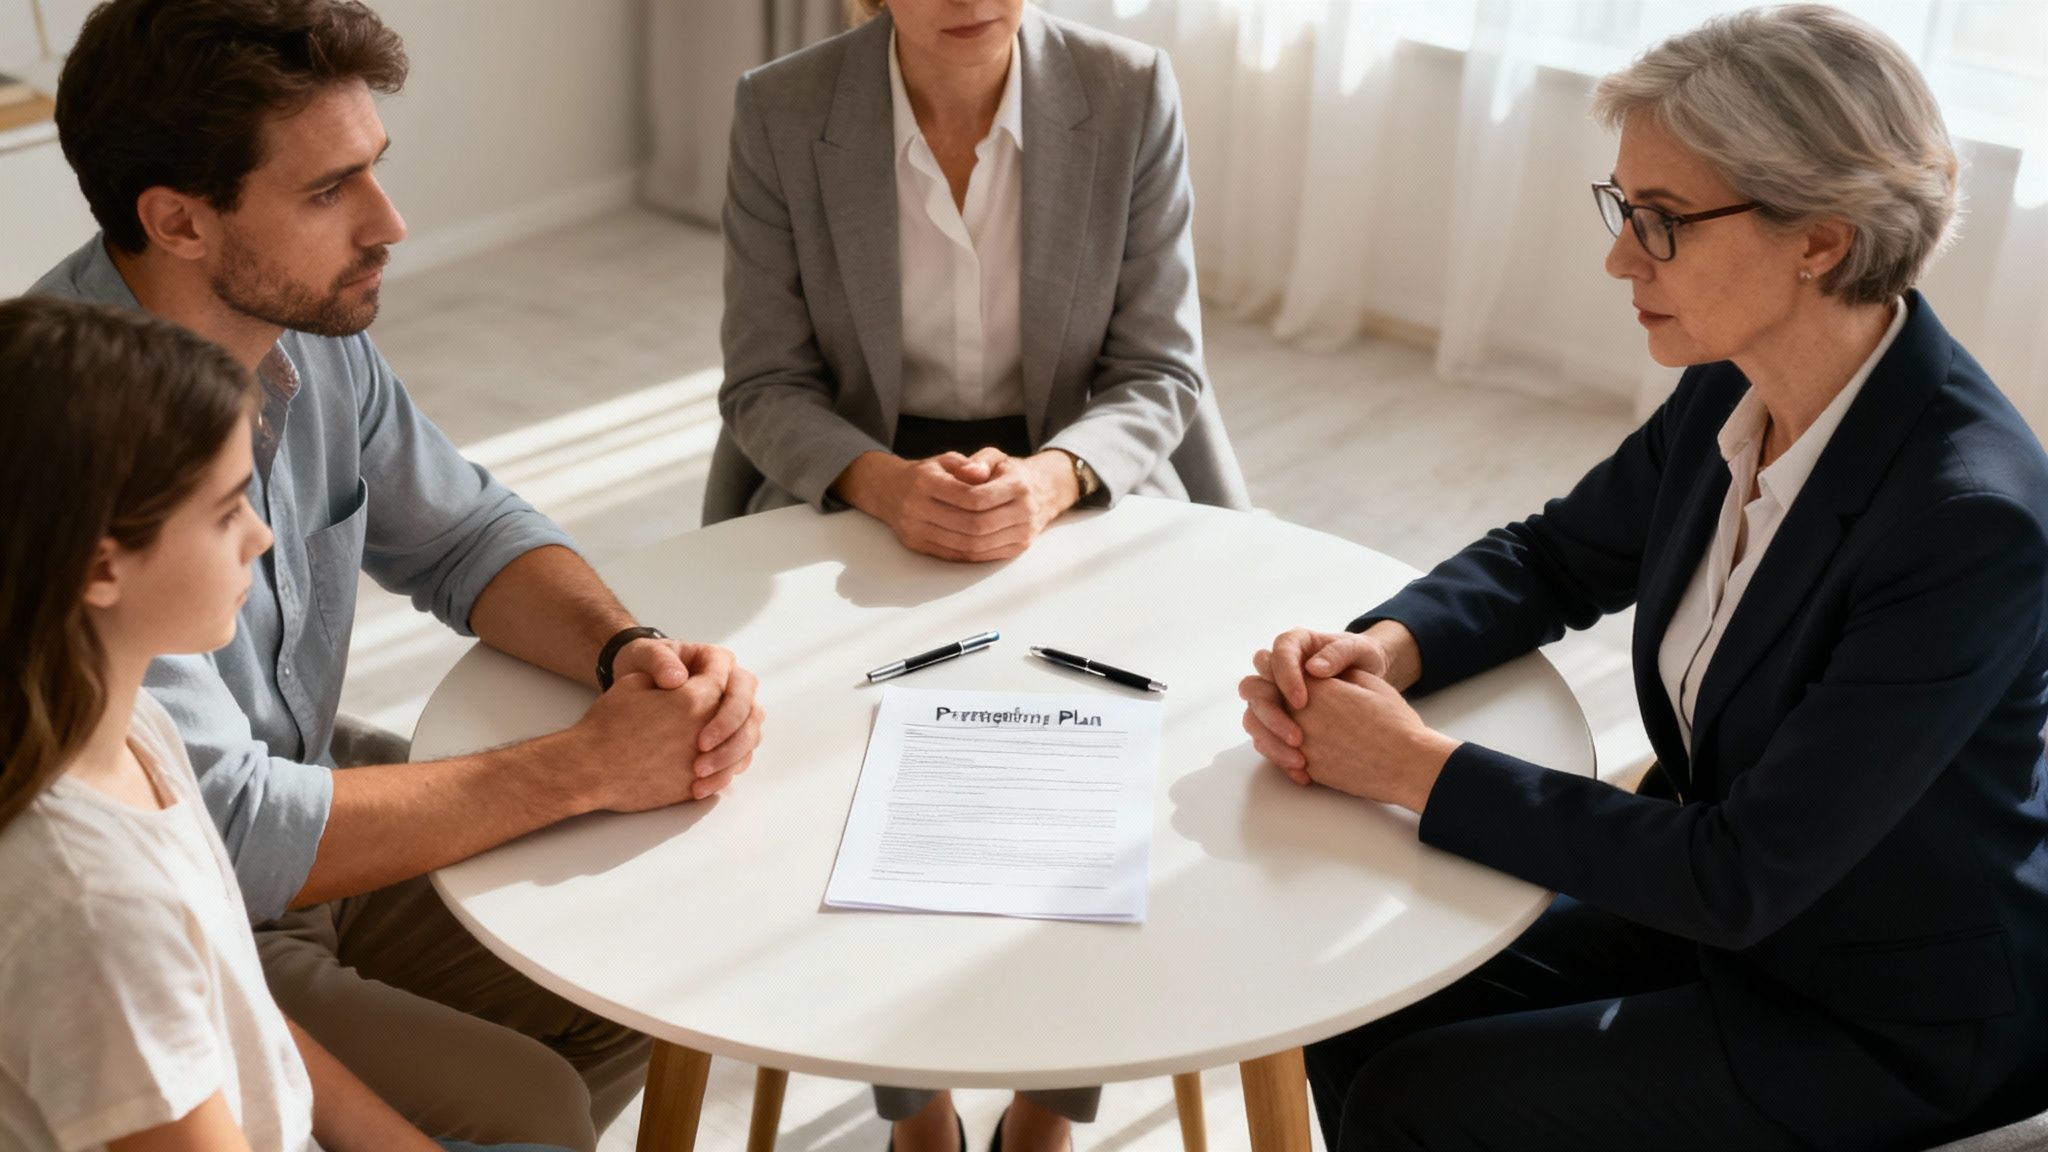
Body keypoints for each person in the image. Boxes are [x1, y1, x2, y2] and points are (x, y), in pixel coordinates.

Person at [1238, 6, 2048, 1149]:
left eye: (1660, 223)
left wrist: (1414, 768)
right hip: (1736, 919)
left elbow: (1740, 870)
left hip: (1884, 1010)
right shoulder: (1737, 383)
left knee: (1424, 1101)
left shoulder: (1968, 521)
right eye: (1622, 209)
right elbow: (1557, 554)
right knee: (1352, 997)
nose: (1619, 256)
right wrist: (1383, 648)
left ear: (1816, 240)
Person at [31, 2, 765, 1148]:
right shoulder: (69, 447)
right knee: (531, 1107)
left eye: (374, 170)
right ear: (177, 220)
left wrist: (632, 657)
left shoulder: (306, 326)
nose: (391, 224)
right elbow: (226, 828)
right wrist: (581, 766)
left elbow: (464, 534)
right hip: (201, 890)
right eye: (328, 193)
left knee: (641, 982)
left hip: (294, 791)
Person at [0, 296, 578, 1152]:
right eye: (228, 509)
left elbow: (244, 1013)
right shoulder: (93, 909)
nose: (264, 537)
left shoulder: (133, 725)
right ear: (101, 566)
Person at [706, 0, 1249, 571]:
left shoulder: (1131, 90)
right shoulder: (780, 108)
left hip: (1079, 456)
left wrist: (1053, 479)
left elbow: (1159, 368)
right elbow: (766, 383)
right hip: (853, 465)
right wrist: (885, 486)